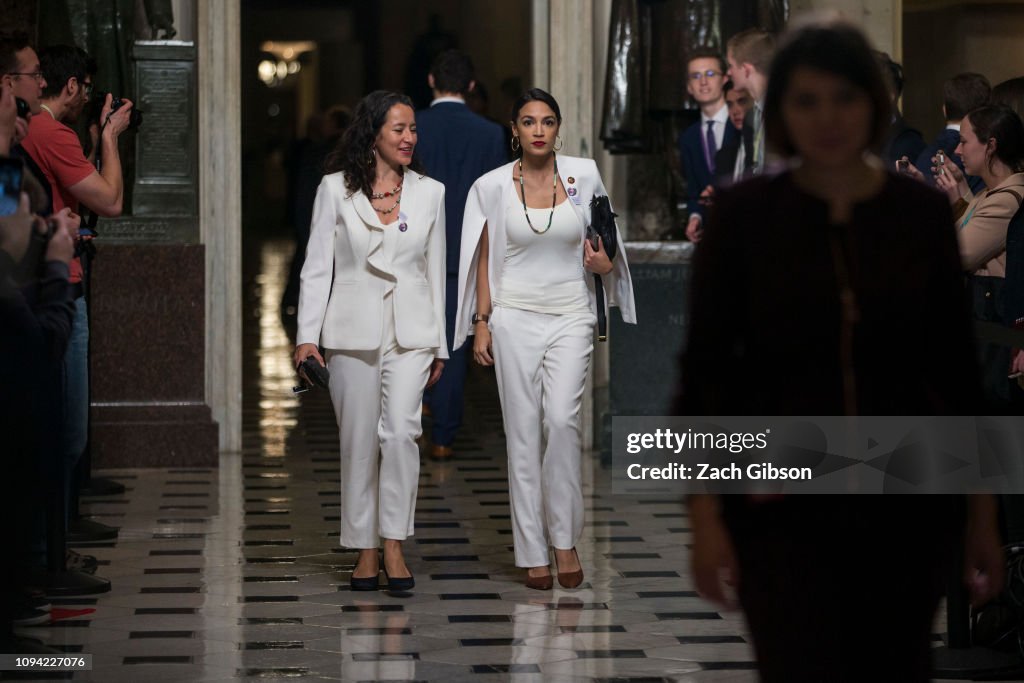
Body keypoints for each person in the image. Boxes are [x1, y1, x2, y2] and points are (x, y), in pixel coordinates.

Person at [679, 22, 1005, 682]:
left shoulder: (915, 216)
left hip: (905, 499)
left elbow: (955, 369)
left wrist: (980, 510)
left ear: (873, 105)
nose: (827, 117)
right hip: (779, 499)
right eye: (806, 100)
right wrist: (706, 514)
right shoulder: (744, 219)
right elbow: (706, 374)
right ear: (783, 112)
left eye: (844, 98)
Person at [453, 88, 636, 589]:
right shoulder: (491, 186)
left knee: (561, 421)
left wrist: (604, 263)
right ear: (515, 129)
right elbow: (484, 257)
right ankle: (532, 548)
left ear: (558, 128)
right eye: (529, 121)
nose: (538, 130)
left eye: (548, 121)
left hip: (571, 314)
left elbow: (606, 241)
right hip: (513, 317)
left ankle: (565, 540)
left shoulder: (583, 174)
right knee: (523, 431)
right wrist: (482, 321)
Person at [294, 90, 447, 592]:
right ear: (373, 133)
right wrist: (306, 339)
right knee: (358, 440)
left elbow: (434, 272)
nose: (409, 138)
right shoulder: (334, 189)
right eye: (399, 129)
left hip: (411, 331)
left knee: (401, 434)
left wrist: (441, 344)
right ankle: (364, 549)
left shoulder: (431, 193)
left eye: (413, 130)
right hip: (350, 330)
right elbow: (317, 267)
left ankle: (395, 544)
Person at [416, 49, 506, 461]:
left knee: (409, 339)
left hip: (414, 250)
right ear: (471, 86)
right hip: (468, 254)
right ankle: (443, 437)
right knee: (451, 345)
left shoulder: (411, 127)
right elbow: (498, 202)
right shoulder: (490, 134)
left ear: (432, 80)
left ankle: (408, 421)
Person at [931, 104, 1024, 408]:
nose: (958, 149)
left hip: (995, 335)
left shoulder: (1007, 201)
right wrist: (960, 195)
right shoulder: (988, 194)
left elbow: (957, 254)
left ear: (991, 146)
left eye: (965, 141)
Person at [679, 48, 736, 243]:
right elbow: (694, 190)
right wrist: (695, 217)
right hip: (713, 235)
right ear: (689, 86)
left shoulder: (742, 125)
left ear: (725, 79)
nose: (703, 81)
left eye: (710, 74)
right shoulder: (688, 137)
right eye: (696, 76)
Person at [914, 72, 990, 192]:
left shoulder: (924, 155)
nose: (959, 150)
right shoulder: (983, 157)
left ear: (944, 110)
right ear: (985, 113)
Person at [725, 28, 775, 179]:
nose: (728, 73)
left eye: (731, 65)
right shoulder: (755, 113)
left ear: (746, 70)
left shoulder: (783, 110)